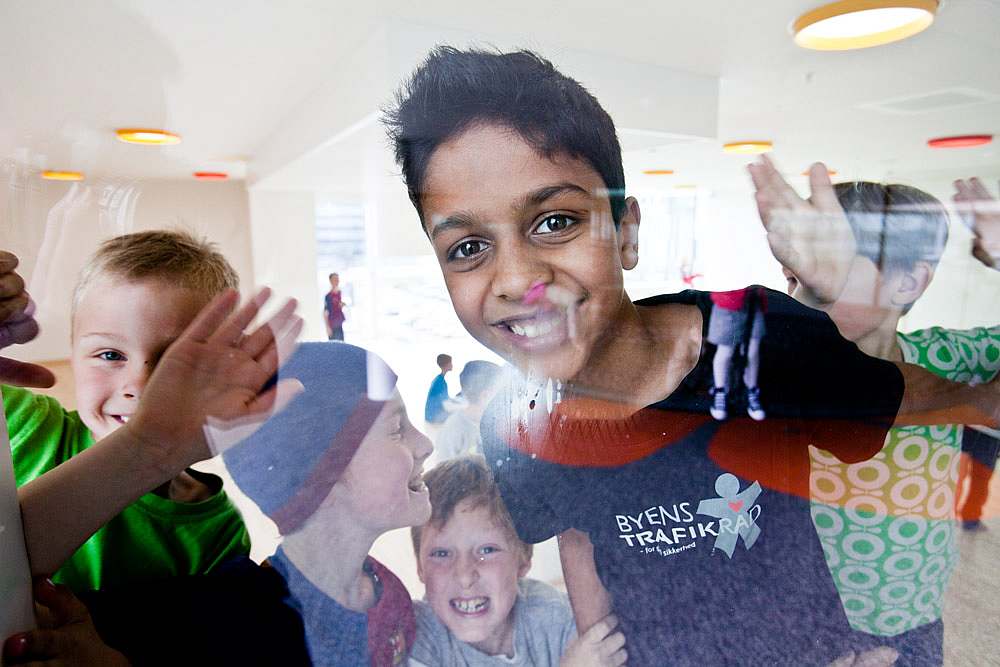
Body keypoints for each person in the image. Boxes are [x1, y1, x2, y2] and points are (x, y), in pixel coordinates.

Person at [384, 46, 999, 665]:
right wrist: (597, 643)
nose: (516, 280)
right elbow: (578, 534)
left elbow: (899, 399)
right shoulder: (515, 429)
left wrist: (839, 293)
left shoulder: (752, 339)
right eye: (467, 247)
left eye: (555, 222)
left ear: (626, 231)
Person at [6, 342, 431, 667]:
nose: (426, 443)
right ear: (321, 471)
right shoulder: (213, 618)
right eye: (396, 428)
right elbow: (14, 582)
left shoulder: (387, 592)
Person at [758, 177, 1000, 659]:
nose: (803, 283)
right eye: (795, 270)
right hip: (795, 628)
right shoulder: (773, 365)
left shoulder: (945, 358)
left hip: (912, 627)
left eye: (834, 267)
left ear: (908, 282)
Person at [3, 231, 253, 592]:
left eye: (173, 362)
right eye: (110, 355)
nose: (140, 386)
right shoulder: (21, 423)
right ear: (72, 354)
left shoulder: (219, 533)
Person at [409, 454, 627, 666]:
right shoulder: (413, 634)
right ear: (419, 566)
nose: (465, 576)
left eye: (487, 550)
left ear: (523, 559)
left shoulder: (555, 618)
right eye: (441, 553)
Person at [706, 287, 767, 421]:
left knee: (753, 350)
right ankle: (720, 390)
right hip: (728, 297)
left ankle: (751, 389)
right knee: (726, 350)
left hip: (753, 298)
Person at [435, 361, 502, 461]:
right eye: (502, 392)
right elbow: (444, 471)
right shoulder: (454, 429)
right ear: (485, 396)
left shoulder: (498, 424)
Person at [425, 353, 454, 424]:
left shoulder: (439, 379)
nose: (452, 365)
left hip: (431, 415)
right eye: (451, 362)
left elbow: (444, 399)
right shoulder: (440, 382)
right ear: (447, 364)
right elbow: (444, 402)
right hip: (434, 417)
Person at [323, 272, 347, 341]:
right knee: (334, 346)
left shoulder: (339, 293)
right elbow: (325, 312)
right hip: (332, 325)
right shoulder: (328, 296)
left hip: (339, 323)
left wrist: (341, 305)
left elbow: (337, 306)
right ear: (331, 281)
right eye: (335, 279)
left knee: (342, 345)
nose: (337, 281)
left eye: (337, 279)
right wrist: (327, 327)